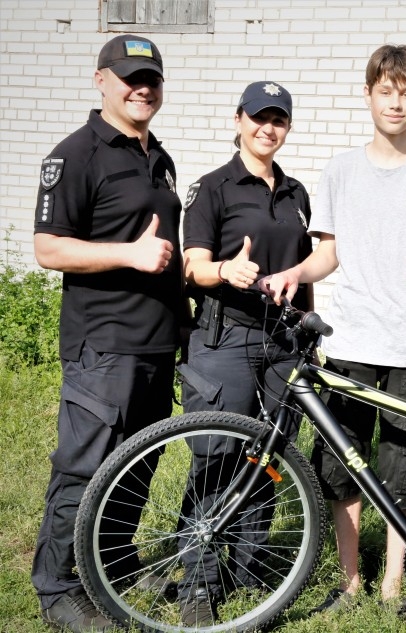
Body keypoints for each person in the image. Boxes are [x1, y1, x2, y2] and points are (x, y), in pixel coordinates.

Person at [262, 44, 406, 611]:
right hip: (349, 339)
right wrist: (294, 272)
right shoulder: (341, 170)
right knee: (340, 465)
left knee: (403, 471)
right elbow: (328, 254)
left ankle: (395, 584)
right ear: (369, 94)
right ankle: (350, 582)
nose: (395, 102)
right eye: (386, 90)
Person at [31, 35, 183, 632]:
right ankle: (58, 588)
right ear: (101, 81)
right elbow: (47, 248)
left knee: (134, 466)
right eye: (128, 78)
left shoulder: (158, 157)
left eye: (150, 78)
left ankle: (105, 566)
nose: (141, 87)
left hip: (156, 342)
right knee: (83, 466)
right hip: (104, 344)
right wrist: (129, 255)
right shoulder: (77, 154)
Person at [177, 80, 313, 625]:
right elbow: (191, 265)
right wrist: (225, 271)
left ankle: (253, 575)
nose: (268, 128)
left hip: (283, 344)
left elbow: (303, 271)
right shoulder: (212, 188)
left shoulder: (298, 193)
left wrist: (306, 322)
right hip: (225, 338)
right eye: (259, 117)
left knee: (268, 460)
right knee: (216, 457)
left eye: (278, 119)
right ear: (238, 120)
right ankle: (199, 583)